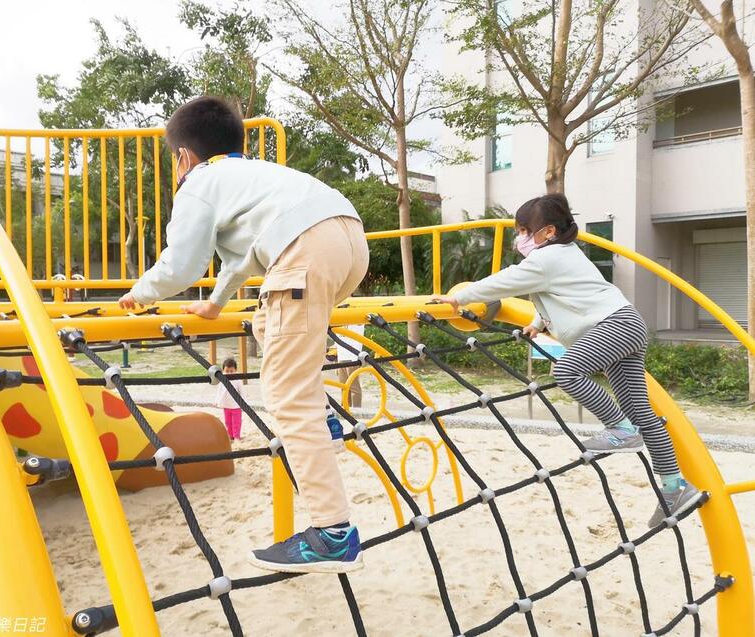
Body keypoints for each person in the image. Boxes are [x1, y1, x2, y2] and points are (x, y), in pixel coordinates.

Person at [118, 96, 368, 573]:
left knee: (286, 398)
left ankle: (333, 534)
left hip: (304, 251)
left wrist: (140, 292)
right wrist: (214, 302)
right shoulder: (255, 176)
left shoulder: (199, 183)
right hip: (348, 243)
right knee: (269, 321)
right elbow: (243, 257)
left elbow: (182, 263)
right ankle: (327, 424)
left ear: (183, 157)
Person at [432, 193, 700, 527]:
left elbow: (505, 281)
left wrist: (458, 297)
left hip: (614, 326)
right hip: (626, 323)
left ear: (546, 232)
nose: (519, 237)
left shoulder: (547, 259)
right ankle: (675, 486)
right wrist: (538, 322)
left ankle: (618, 429)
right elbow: (566, 295)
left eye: (523, 230)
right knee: (641, 413)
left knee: (567, 371)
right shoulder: (563, 256)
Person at [336, 324, 365, 408]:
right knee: (343, 387)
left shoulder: (356, 322)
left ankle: (357, 410)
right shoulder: (339, 321)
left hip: (353, 358)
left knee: (354, 387)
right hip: (341, 358)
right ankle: (345, 409)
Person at [216, 358, 244, 441]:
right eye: (226, 371)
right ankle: (230, 435)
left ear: (235, 370)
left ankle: (236, 436)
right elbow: (219, 391)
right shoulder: (222, 380)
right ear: (223, 370)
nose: (229, 373)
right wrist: (216, 401)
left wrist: (243, 404)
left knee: (236, 422)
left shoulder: (238, 380)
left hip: (236, 406)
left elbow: (242, 392)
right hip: (226, 405)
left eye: (231, 371)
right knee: (228, 422)